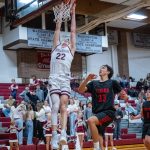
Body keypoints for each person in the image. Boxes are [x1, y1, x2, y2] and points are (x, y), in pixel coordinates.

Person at [49, 1, 76, 149]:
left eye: (67, 40)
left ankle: (63, 133)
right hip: (54, 78)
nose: (66, 41)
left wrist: (72, 13)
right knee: (56, 106)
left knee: (64, 107)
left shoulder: (71, 50)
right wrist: (61, 12)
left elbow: (72, 32)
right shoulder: (55, 47)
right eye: (63, 40)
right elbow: (58, 27)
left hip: (65, 80)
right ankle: (54, 135)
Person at [78, 65, 121, 150]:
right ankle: (100, 147)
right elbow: (80, 90)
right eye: (100, 68)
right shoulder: (94, 83)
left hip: (108, 112)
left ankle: (96, 148)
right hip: (97, 114)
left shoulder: (112, 82)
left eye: (103, 68)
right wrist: (87, 79)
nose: (101, 69)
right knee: (99, 136)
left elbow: (121, 92)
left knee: (90, 120)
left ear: (108, 72)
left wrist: (125, 97)